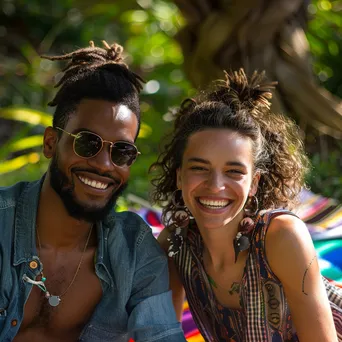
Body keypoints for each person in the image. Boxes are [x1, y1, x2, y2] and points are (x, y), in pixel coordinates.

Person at [0, 40, 186, 342]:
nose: (103, 165)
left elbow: (162, 335)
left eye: (122, 152)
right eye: (87, 142)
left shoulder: (134, 251)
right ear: (50, 143)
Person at [152, 69, 342, 341]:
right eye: (199, 168)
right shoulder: (176, 245)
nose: (215, 186)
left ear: (254, 183)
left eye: (233, 171)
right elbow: (162, 336)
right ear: (179, 176)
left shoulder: (280, 236)